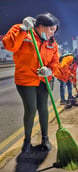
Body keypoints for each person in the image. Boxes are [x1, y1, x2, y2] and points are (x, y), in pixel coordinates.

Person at [2, 13, 60, 153]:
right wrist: (22, 29)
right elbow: (9, 45)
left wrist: (49, 70)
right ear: (41, 26)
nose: (53, 33)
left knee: (43, 108)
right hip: (26, 79)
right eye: (51, 29)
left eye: (55, 30)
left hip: (44, 80)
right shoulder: (23, 31)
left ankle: (45, 138)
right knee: (31, 109)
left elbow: (56, 62)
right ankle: (27, 141)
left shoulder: (52, 43)